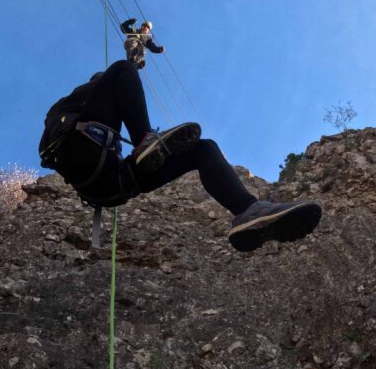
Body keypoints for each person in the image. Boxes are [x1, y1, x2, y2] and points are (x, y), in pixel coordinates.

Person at [38, 59, 322, 252]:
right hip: (81, 158)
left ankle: (247, 211)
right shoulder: (69, 105)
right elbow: (113, 84)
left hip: (114, 182)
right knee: (124, 69)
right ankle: (144, 141)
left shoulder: (101, 117)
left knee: (204, 149)